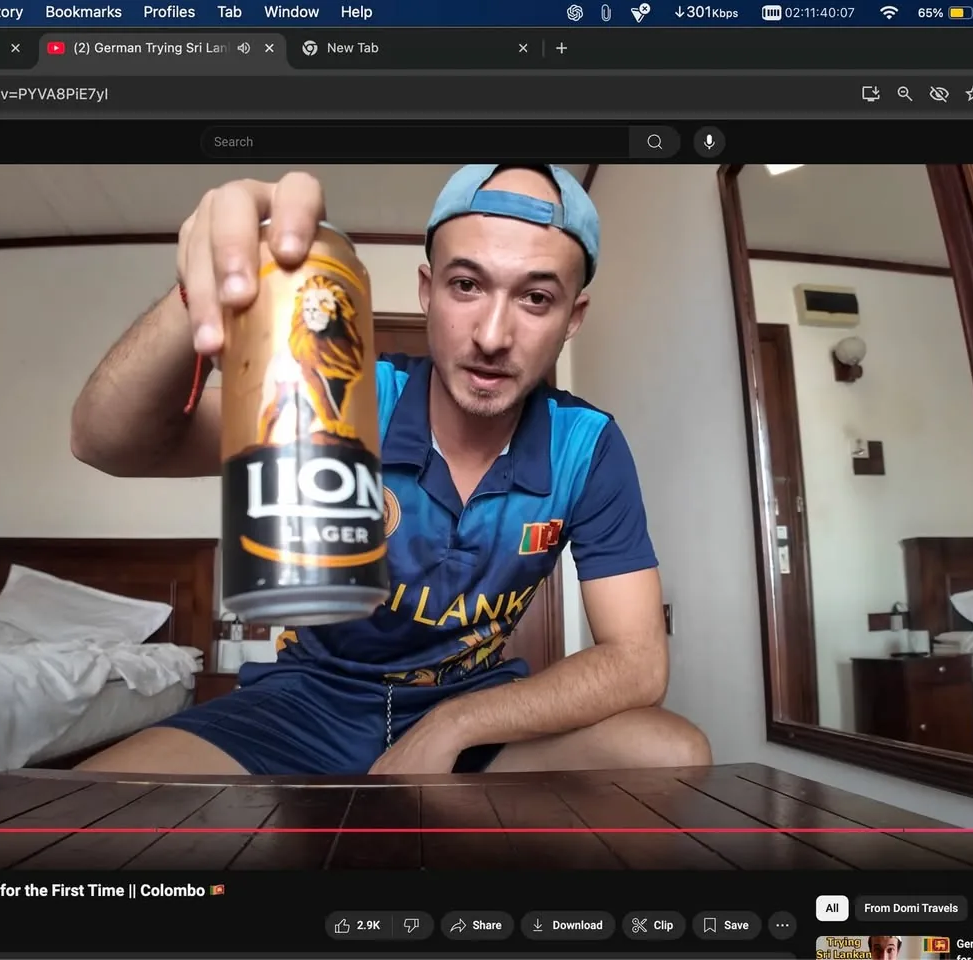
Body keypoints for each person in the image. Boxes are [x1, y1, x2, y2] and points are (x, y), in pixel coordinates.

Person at [70, 164, 712, 776]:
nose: (492, 334)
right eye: (467, 284)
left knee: (673, 752)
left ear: (573, 318)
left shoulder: (588, 445)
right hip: (305, 701)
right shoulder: (347, 395)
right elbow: (106, 444)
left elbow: (637, 661)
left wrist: (454, 724)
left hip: (475, 706)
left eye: (536, 298)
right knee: (88, 814)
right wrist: (198, 288)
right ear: (427, 291)